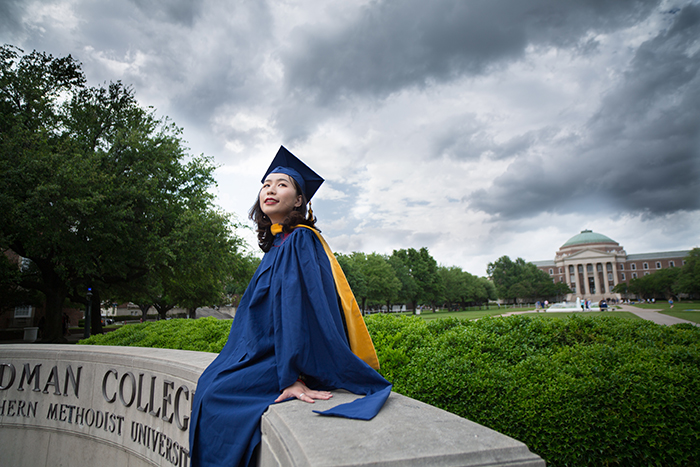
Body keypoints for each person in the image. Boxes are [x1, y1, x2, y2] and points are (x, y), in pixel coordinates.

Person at [189, 146, 392, 467]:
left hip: (280, 357)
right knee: (209, 383)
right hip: (264, 351)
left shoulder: (300, 240)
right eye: (267, 183)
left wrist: (291, 376)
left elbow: (297, 312)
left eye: (282, 184)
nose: (270, 189)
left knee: (219, 396)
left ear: (299, 200)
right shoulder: (277, 244)